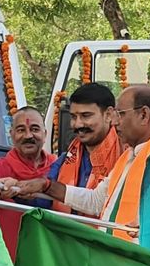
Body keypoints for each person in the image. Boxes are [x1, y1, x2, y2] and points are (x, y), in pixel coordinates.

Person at [14, 85, 150, 239]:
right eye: (73, 117)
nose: (115, 121)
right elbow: (96, 201)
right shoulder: (129, 156)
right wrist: (44, 186)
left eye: (120, 114)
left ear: (143, 115)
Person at [47, 83, 123, 213]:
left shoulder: (124, 154)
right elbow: (46, 194)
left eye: (86, 116)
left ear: (109, 115)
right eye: (73, 117)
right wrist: (17, 188)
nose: (77, 124)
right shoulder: (68, 157)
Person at [0, 107, 56, 208]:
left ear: (45, 134)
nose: (28, 136)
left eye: (35, 129)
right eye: (21, 130)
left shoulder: (57, 165)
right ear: (12, 135)